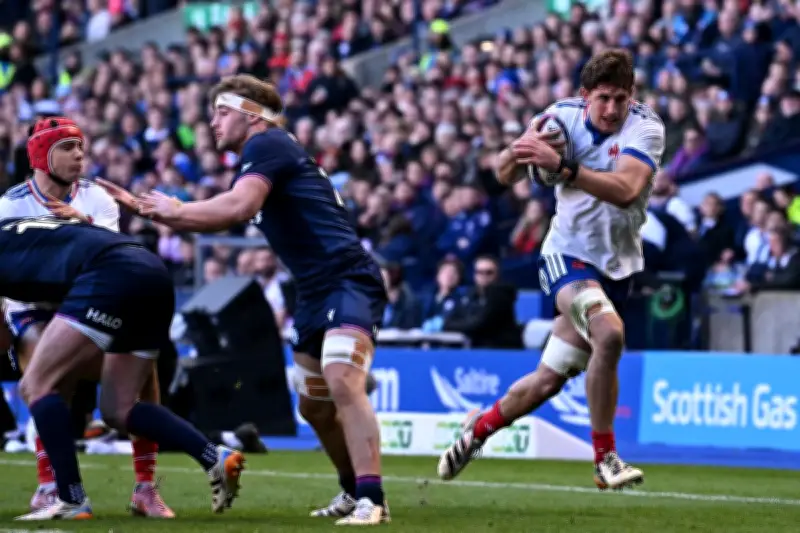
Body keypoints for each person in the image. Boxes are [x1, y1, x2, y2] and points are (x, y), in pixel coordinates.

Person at [98, 74, 390, 526]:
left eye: (222, 112)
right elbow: (225, 210)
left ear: (252, 114)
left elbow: (234, 209)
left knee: (341, 378)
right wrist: (162, 212)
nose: (212, 123)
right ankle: (353, 491)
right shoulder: (267, 152)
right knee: (313, 406)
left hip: (347, 277)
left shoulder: (266, 144)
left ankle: (373, 498)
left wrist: (172, 210)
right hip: (313, 288)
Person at [437, 49, 665, 490]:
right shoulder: (560, 120)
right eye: (603, 99)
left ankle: (476, 430)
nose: (613, 108)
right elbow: (504, 174)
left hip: (619, 267)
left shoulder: (647, 127)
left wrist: (563, 167)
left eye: (621, 98)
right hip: (566, 256)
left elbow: (625, 189)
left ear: (632, 95)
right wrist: (518, 151)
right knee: (610, 333)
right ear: (585, 97)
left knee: (547, 381)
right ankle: (606, 459)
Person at [4, 217, 245, 521]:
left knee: (36, 384)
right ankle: (214, 457)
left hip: (109, 275)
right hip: (152, 271)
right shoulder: (18, 227)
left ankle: (70, 498)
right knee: (119, 408)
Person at [0, 117, 174, 517]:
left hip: (89, 301)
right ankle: (51, 485)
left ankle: (146, 488)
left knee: (144, 372)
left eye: (81, 146)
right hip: (35, 305)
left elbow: (107, 259)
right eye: (67, 147)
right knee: (40, 356)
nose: (80, 154)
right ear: (41, 155)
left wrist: (80, 224)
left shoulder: (98, 199)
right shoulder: (10, 205)